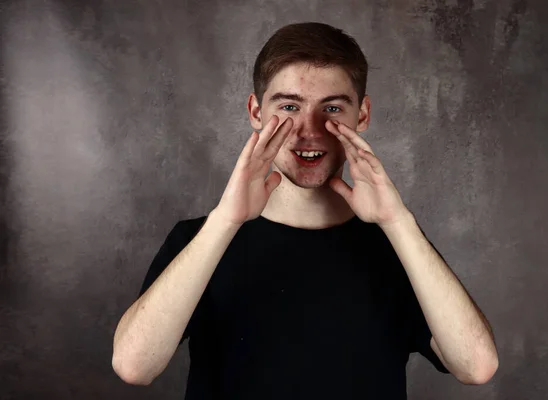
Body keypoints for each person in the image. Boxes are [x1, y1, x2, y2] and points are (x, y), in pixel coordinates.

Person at [112, 22, 498, 399]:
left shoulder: (398, 244)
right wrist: (226, 221)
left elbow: (477, 367)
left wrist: (397, 222)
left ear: (361, 115)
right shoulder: (198, 238)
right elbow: (134, 367)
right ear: (255, 111)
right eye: (290, 106)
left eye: (331, 107)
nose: (309, 130)